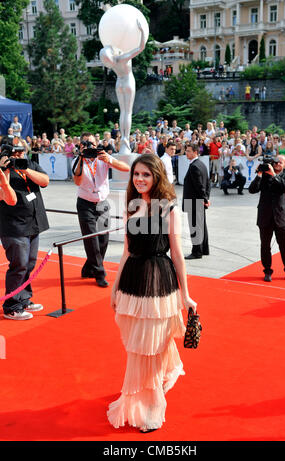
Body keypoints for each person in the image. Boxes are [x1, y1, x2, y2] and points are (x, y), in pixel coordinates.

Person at [108, 153, 197, 432]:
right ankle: (161, 376)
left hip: (159, 281)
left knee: (149, 347)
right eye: (136, 174)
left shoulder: (169, 208)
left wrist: (186, 295)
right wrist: (114, 286)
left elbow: (179, 254)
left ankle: (149, 409)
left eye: (146, 174)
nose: (140, 179)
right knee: (140, 345)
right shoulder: (131, 207)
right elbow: (125, 251)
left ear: (157, 176)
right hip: (133, 283)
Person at [72, 133, 130, 287]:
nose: (90, 146)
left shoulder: (103, 158)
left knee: (103, 240)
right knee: (91, 240)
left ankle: (88, 268)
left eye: (92, 143)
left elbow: (126, 168)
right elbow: (77, 181)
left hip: (102, 203)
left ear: (97, 143)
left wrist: (109, 159)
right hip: (85, 204)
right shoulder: (78, 161)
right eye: (86, 144)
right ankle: (99, 273)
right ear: (81, 146)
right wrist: (82, 159)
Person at [0, 143, 50, 320]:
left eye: (22, 150)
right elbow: (6, 195)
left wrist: (25, 169)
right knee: (18, 265)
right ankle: (11, 306)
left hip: (33, 223)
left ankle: (24, 298)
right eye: (16, 151)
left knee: (29, 263)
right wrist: (6, 168)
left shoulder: (30, 164)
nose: (19, 153)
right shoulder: (3, 167)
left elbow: (45, 181)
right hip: (14, 226)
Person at [249, 155, 285, 282]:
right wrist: (259, 174)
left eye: (280, 162)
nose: (277, 164)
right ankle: (267, 271)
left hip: (280, 217)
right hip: (265, 216)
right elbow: (252, 189)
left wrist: (273, 174)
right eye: (275, 162)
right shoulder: (264, 176)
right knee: (265, 246)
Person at [100, 20, 146, 154]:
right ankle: (125, 137)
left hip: (118, 83)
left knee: (122, 112)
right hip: (128, 82)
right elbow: (141, 47)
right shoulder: (123, 58)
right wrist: (142, 31)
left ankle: (125, 137)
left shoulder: (113, 63)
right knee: (128, 112)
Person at [183, 142, 210, 259]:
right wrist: (206, 198)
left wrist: (205, 198)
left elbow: (199, 186)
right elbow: (208, 184)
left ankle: (197, 252)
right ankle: (204, 249)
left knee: (195, 227)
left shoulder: (194, 166)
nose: (186, 153)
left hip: (194, 201)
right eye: (186, 151)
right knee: (201, 225)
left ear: (195, 152)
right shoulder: (202, 164)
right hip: (199, 201)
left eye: (188, 151)